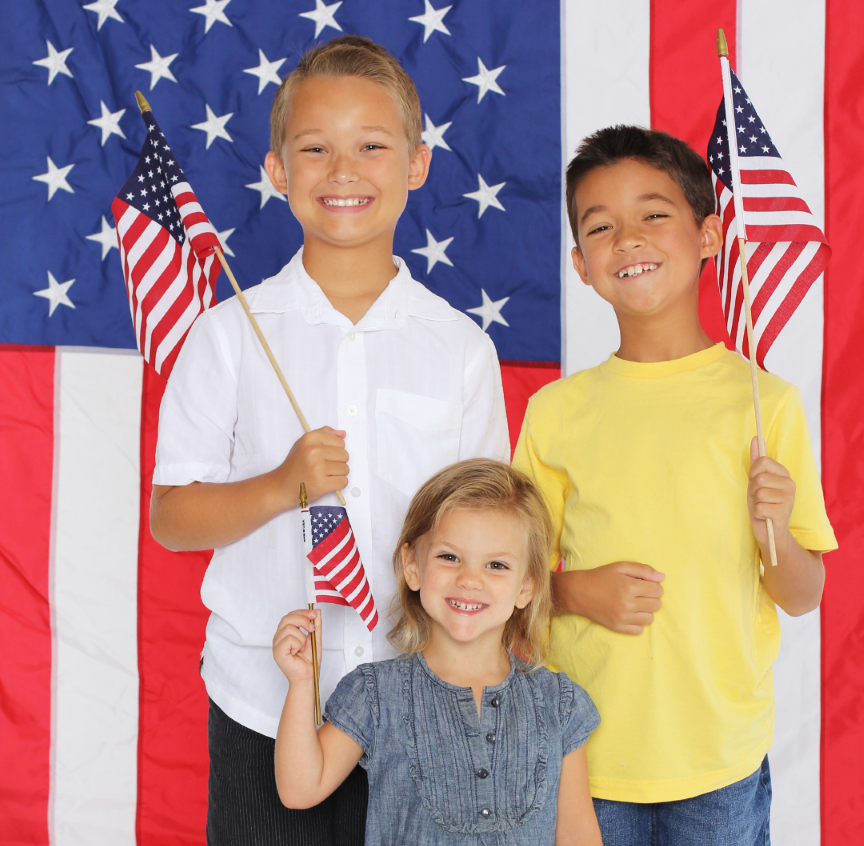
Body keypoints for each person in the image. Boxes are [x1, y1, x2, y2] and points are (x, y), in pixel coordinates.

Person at [149, 36, 509, 846]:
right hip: (260, 700)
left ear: (417, 164)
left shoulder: (458, 349)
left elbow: (491, 536)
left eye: (372, 146)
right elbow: (172, 516)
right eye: (315, 149)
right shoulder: (229, 335)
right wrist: (281, 485)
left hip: (422, 699)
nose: (343, 171)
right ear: (279, 172)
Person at [512, 125, 837, 845]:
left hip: (718, 756)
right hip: (586, 753)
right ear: (581, 263)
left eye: (654, 214)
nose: (629, 239)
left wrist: (775, 530)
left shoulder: (766, 403)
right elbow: (511, 580)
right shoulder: (556, 413)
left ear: (710, 235)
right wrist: (575, 590)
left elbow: (803, 595)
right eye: (602, 227)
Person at [272, 459, 603, 845]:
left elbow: (579, 835)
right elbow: (299, 789)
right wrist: (300, 683)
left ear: (526, 588)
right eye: (450, 557)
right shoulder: (376, 694)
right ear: (413, 566)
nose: (470, 580)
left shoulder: (559, 704)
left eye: (496, 565)